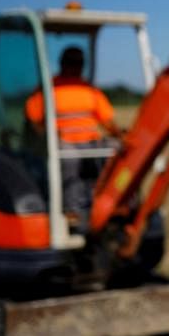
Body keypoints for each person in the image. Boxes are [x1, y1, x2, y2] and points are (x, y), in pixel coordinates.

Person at [25, 46, 122, 219]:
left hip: (91, 140)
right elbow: (34, 118)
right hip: (64, 142)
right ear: (62, 64)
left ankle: (110, 202)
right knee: (69, 157)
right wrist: (48, 136)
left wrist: (120, 135)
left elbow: (107, 121)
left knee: (116, 149)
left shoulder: (89, 89)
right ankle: (72, 209)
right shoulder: (49, 88)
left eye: (79, 63)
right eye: (72, 63)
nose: (75, 67)